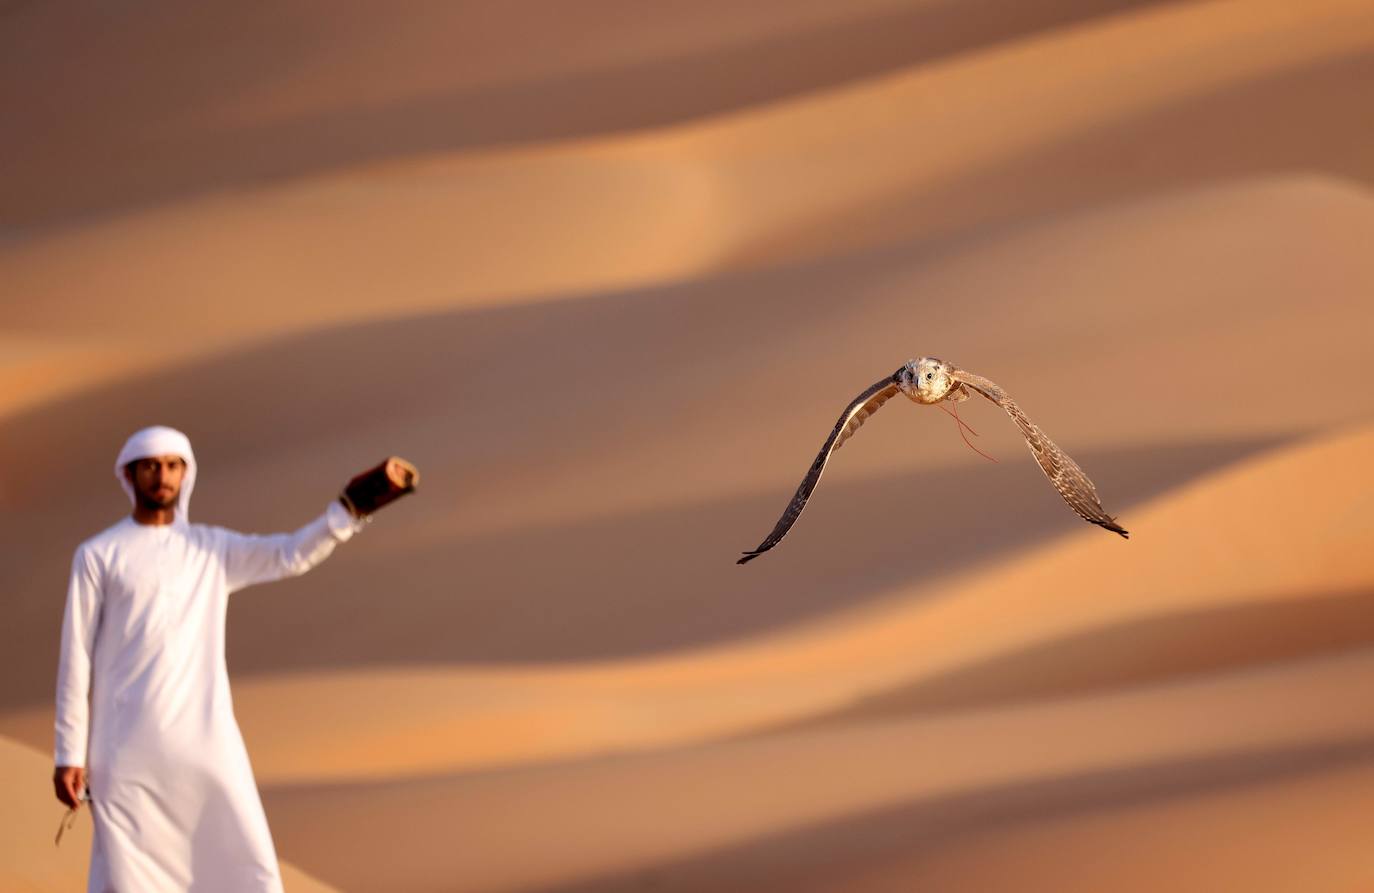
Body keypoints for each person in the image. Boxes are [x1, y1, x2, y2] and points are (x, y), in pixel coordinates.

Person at [53, 425, 372, 892]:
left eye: (172, 466)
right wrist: (68, 753)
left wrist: (345, 514)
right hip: (124, 749)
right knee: (127, 876)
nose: (162, 475)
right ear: (130, 474)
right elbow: (74, 658)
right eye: (151, 466)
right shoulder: (98, 555)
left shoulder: (212, 548)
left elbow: (287, 554)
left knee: (249, 863)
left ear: (186, 475)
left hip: (205, 740)